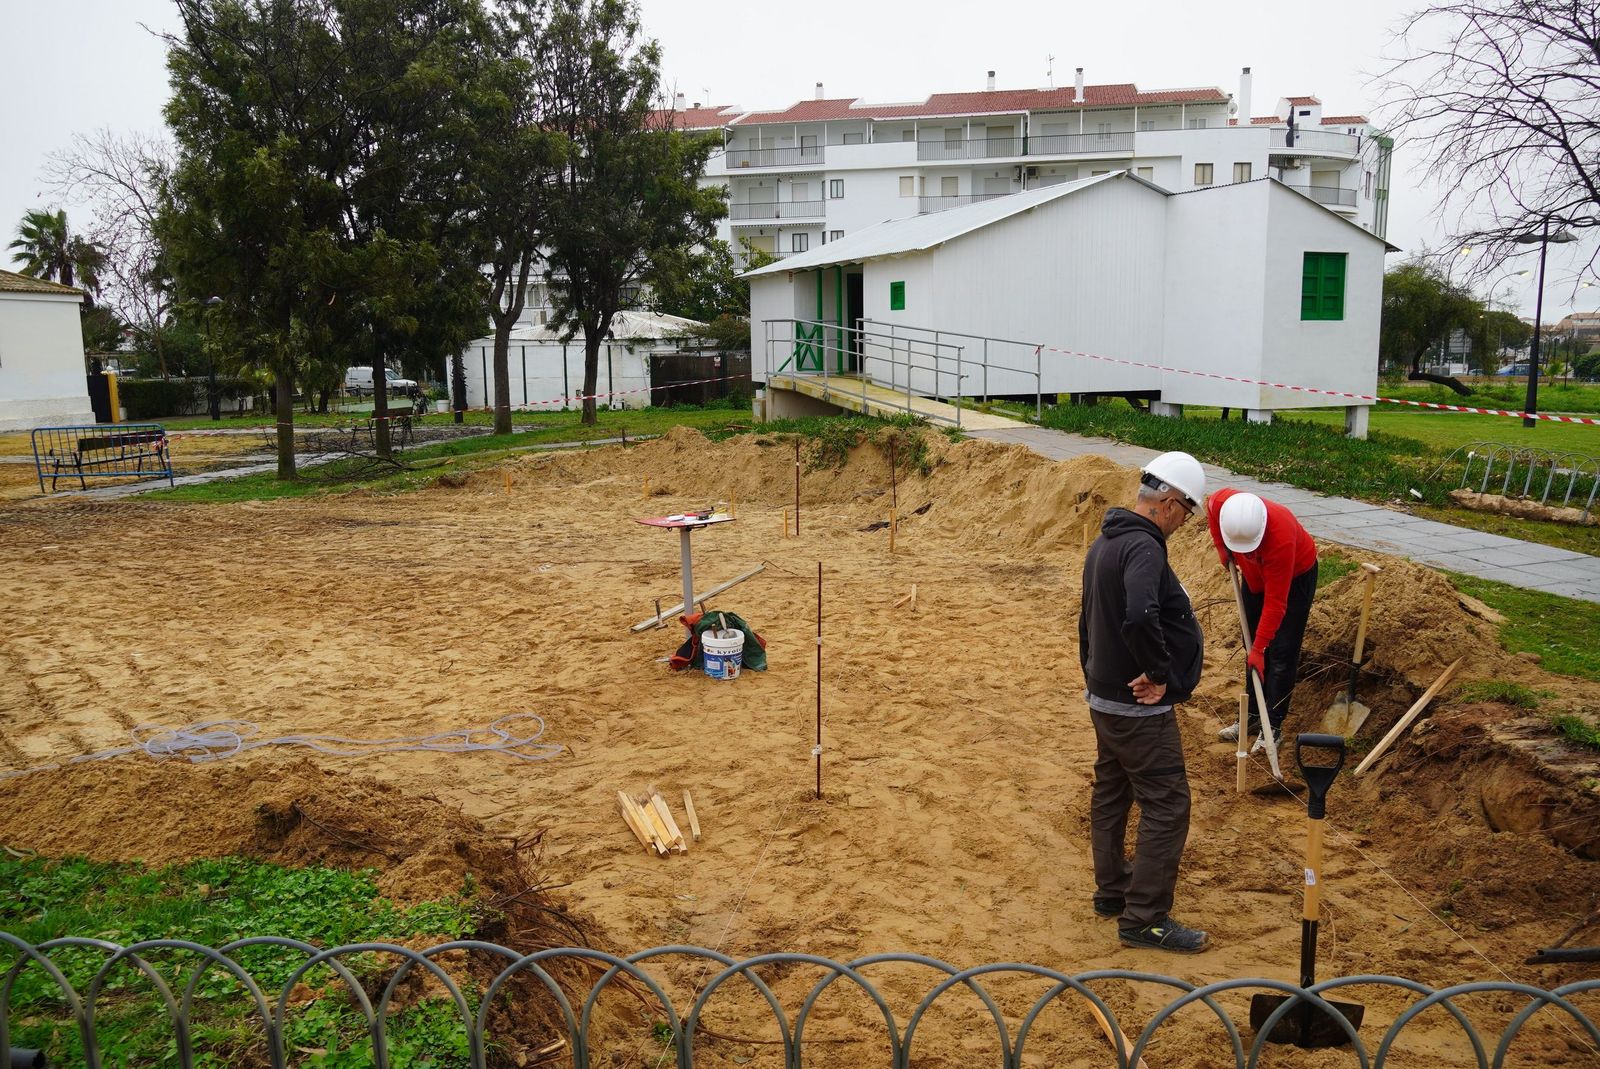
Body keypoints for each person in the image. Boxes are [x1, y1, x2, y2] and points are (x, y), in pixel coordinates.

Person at [1079, 451, 1209, 953]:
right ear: (1171, 504)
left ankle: (1112, 891)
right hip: (1137, 709)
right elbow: (1138, 614)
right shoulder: (1145, 549)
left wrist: (1094, 671)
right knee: (1167, 804)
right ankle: (1145, 918)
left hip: (1105, 698)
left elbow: (1087, 618)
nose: (1184, 522)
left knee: (1112, 791)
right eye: (1187, 512)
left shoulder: (1105, 542)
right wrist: (1158, 674)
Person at [1208, 489, 1319, 760]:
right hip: (1255, 575)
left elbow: (1276, 604)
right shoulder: (1222, 503)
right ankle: (1253, 717)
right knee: (1251, 647)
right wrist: (1223, 549)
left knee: (1280, 652)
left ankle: (1273, 726)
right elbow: (1210, 512)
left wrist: (1260, 648)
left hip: (1294, 580)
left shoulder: (1280, 536)